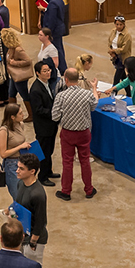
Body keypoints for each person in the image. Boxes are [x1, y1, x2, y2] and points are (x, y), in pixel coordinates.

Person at [51, 68, 98, 200]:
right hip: (84, 133)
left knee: (67, 162)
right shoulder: (87, 94)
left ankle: (66, 191)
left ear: (66, 79)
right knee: (85, 161)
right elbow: (94, 106)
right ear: (78, 79)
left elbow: (54, 116)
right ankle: (89, 189)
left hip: (68, 133)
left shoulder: (61, 96)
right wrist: (94, 89)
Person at [27, 60, 61, 186]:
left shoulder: (46, 84)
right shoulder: (36, 89)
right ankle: (42, 176)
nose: (48, 73)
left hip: (50, 125)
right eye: (45, 71)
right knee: (44, 152)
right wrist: (55, 111)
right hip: (43, 126)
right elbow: (39, 110)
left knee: (50, 150)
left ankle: (48, 171)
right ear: (38, 73)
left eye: (49, 70)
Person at [0, 103, 33, 196]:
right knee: (17, 194)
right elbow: (3, 154)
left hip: (22, 161)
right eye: (20, 113)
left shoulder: (20, 124)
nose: (23, 115)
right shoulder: (3, 131)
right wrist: (20, 147)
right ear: (12, 117)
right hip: (11, 165)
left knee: (25, 193)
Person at [40, 0, 67, 73]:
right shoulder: (60, 0)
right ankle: (63, 67)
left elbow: (52, 19)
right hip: (60, 28)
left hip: (54, 31)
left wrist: (47, 32)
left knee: (56, 49)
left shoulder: (52, 3)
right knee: (60, 48)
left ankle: (62, 68)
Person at [2, 29, 34, 102]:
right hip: (14, 75)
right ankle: (13, 111)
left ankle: (31, 113)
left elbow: (28, 61)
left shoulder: (18, 50)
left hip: (20, 76)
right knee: (11, 94)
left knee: (24, 95)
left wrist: (15, 63)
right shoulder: (10, 49)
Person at [106, 15, 133, 87]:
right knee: (123, 77)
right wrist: (110, 51)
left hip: (122, 59)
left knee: (116, 79)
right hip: (115, 57)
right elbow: (109, 42)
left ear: (124, 24)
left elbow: (124, 49)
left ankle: (113, 92)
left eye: (120, 24)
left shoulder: (127, 35)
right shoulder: (113, 31)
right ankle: (129, 93)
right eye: (117, 24)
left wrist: (114, 51)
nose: (118, 26)